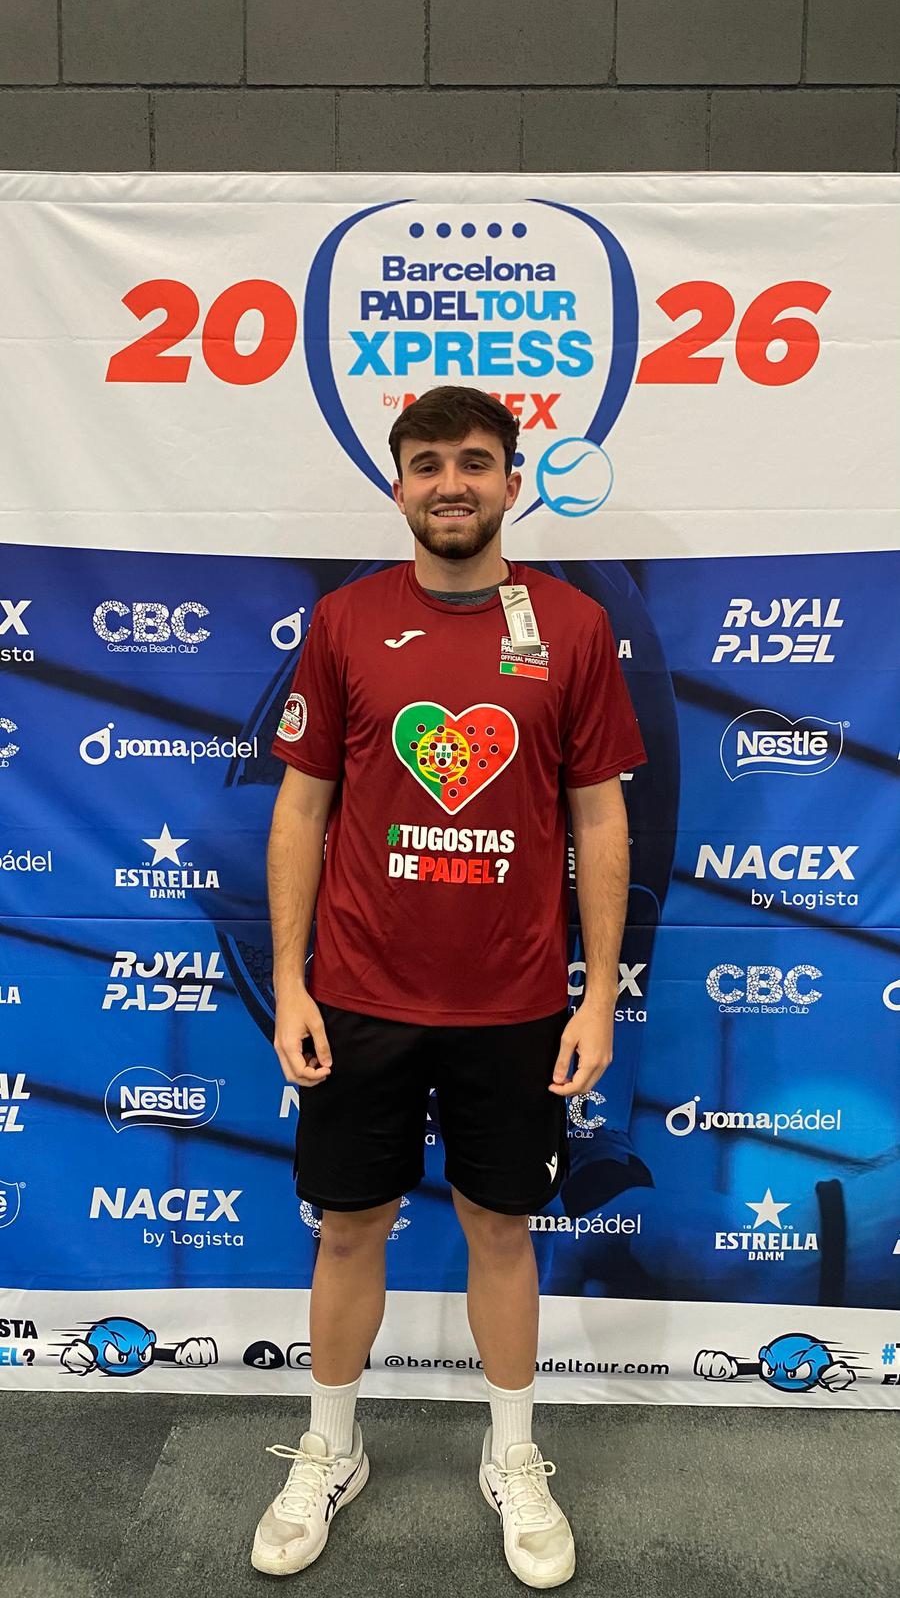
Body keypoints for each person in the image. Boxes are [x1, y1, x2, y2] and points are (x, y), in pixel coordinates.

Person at [251, 385, 647, 1586]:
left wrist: (594, 995)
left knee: (501, 1228)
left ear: (512, 481)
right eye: (427, 464)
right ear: (398, 486)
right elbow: (302, 808)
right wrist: (291, 982)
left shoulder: (572, 626)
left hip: (515, 1004)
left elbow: (600, 817)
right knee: (349, 1227)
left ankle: (512, 1456)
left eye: (475, 461)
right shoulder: (346, 620)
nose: (452, 484)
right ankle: (330, 1449)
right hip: (360, 996)